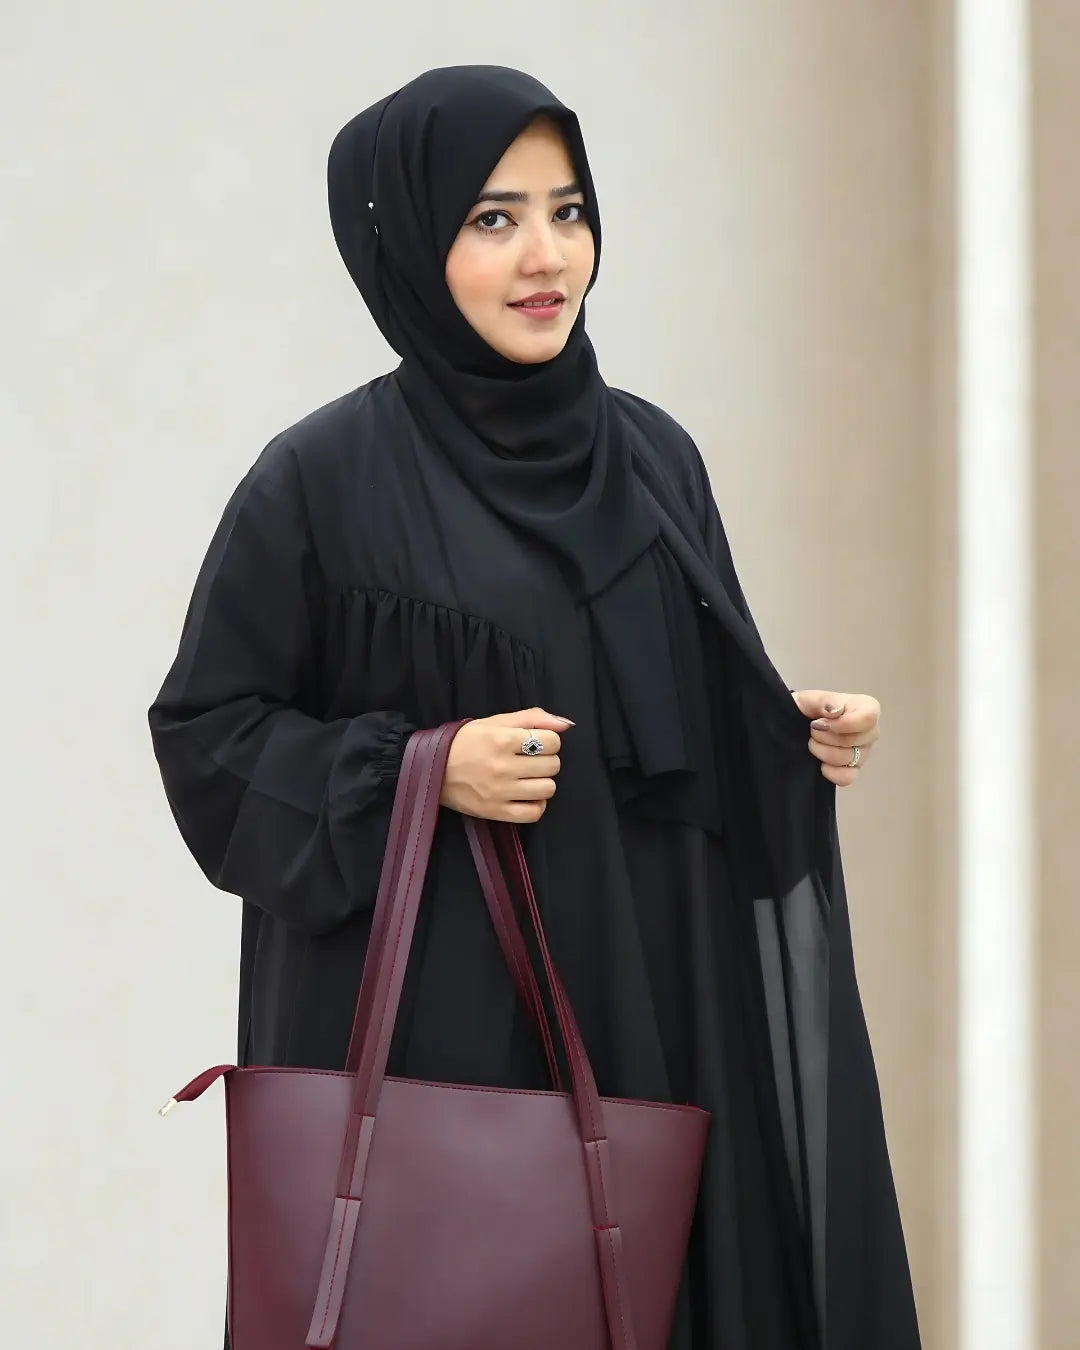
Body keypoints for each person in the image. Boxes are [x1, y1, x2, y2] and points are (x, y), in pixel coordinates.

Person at [148, 65, 919, 1350]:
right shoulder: (319, 486)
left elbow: (675, 736)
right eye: (493, 219)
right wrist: (422, 765)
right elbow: (209, 738)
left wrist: (794, 732)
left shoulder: (655, 458)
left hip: (663, 1024)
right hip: (454, 1049)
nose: (546, 256)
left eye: (569, 211)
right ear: (403, 238)